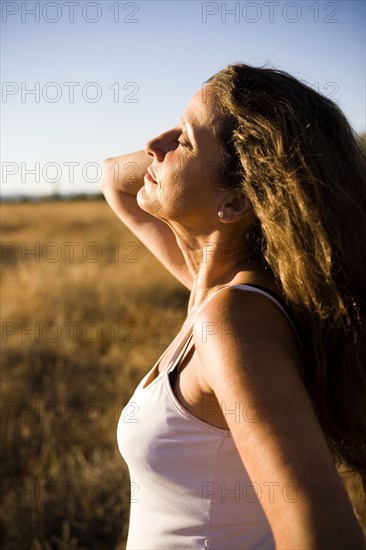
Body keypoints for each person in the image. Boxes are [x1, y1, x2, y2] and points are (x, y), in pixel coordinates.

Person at [101, 63, 366, 549]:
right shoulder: (212, 291)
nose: (153, 145)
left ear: (237, 202)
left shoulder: (233, 323)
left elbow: (322, 535)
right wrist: (196, 142)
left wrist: (211, 152)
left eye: (181, 139)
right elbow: (114, 180)